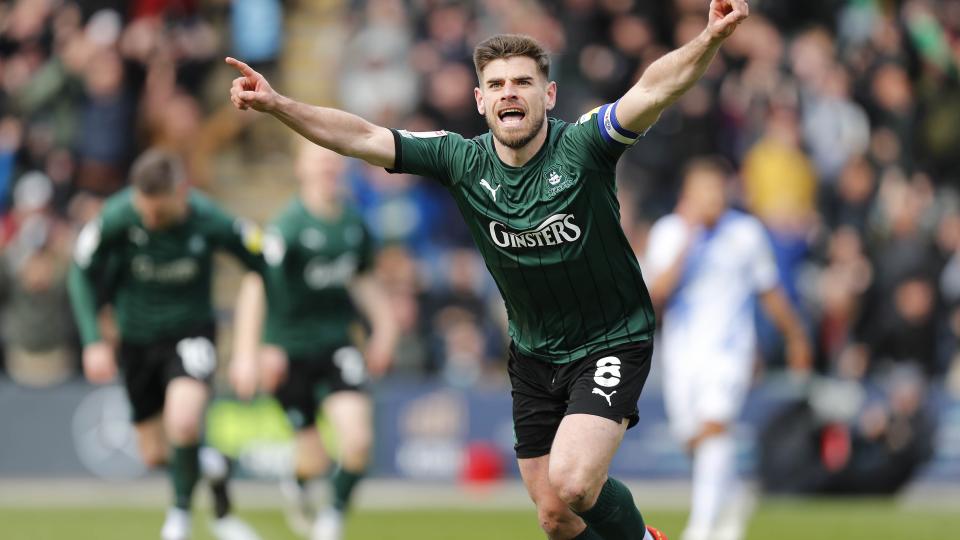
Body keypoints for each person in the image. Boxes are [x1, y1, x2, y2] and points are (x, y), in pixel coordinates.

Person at [226, 2, 751, 538]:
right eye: (496, 84)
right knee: (555, 516)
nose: (509, 93)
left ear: (547, 95)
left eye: (523, 82)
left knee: (573, 481)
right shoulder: (461, 160)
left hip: (610, 340)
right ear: (480, 101)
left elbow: (655, 87)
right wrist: (278, 104)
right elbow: (360, 136)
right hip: (533, 352)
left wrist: (709, 38)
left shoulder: (585, 145)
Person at [67, 149, 264, 540]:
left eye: (158, 211)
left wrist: (249, 349)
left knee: (184, 421)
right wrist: (93, 340)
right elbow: (80, 271)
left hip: (190, 333)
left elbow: (262, 266)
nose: (150, 219)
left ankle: (180, 518)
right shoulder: (117, 216)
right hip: (136, 342)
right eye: (145, 210)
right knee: (157, 454)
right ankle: (211, 463)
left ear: (182, 193)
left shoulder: (211, 219)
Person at [230, 142, 398, 540]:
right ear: (300, 170)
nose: (327, 168)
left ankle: (331, 519)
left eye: (332, 161)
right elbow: (255, 285)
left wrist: (385, 328)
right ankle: (301, 482)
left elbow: (363, 279)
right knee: (315, 460)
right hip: (288, 351)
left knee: (358, 442)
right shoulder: (287, 226)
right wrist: (248, 353)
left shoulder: (354, 223)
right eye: (318, 162)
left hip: (337, 344)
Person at [645, 158, 812, 540]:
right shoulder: (669, 233)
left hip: (730, 352)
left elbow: (769, 290)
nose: (711, 197)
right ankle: (734, 496)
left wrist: (795, 336)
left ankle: (700, 529)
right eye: (702, 189)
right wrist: (688, 239)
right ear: (687, 194)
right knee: (693, 438)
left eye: (716, 188)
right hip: (681, 353)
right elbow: (656, 296)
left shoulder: (746, 233)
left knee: (715, 427)